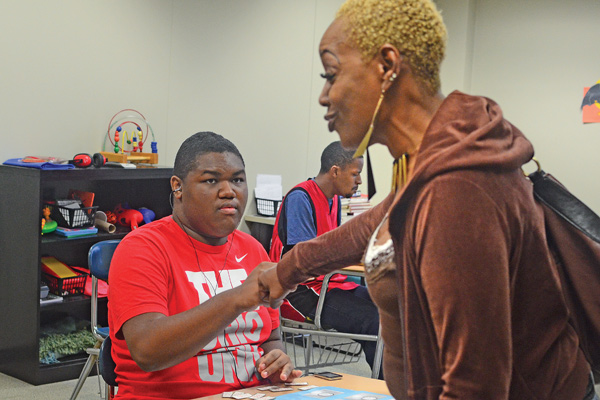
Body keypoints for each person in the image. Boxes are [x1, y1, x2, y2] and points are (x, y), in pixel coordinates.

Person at [257, 1, 598, 399]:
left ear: (387, 66)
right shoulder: (430, 163)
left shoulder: (458, 190)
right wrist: (286, 271)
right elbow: (376, 225)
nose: (323, 96)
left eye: (331, 74)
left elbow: (476, 388)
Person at [108, 131, 301, 400]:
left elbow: (270, 337)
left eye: (237, 180)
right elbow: (147, 351)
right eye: (211, 180)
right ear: (178, 187)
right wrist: (235, 299)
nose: (228, 192)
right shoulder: (143, 248)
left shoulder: (253, 249)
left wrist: (276, 360)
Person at [269, 141, 381, 377]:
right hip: (300, 293)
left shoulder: (334, 199)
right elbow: (305, 262)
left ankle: (396, 385)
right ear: (335, 171)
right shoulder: (301, 198)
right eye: (355, 174)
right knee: (375, 321)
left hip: (329, 284)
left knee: (391, 307)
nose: (359, 181)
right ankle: (385, 388)